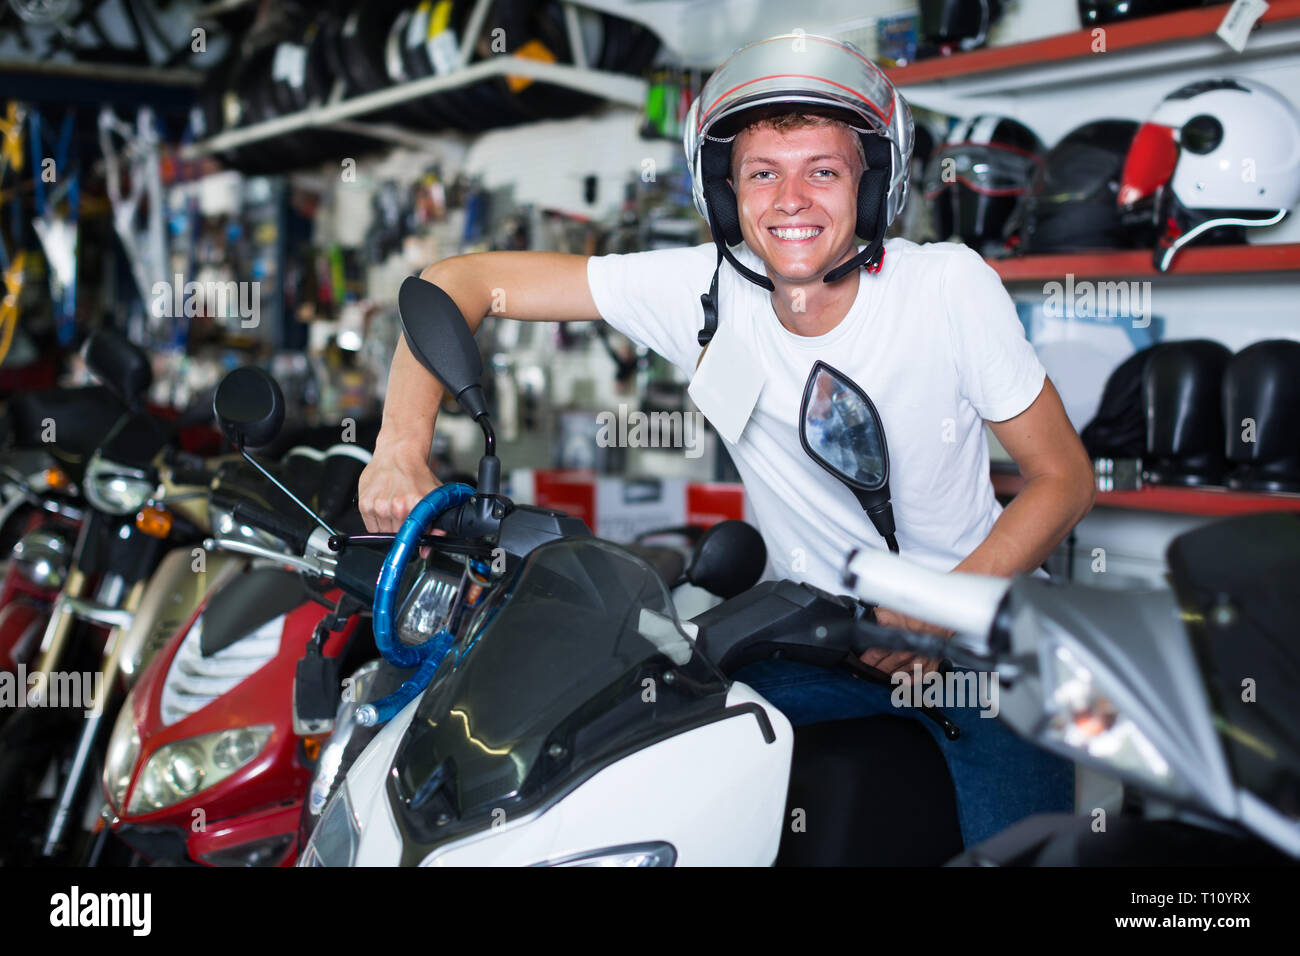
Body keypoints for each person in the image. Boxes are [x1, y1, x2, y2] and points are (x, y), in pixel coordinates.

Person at [359, 33, 1095, 849]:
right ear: (727, 191)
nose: (791, 199)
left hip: (975, 648)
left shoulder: (947, 288)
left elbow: (1063, 478)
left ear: (872, 182)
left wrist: (934, 617)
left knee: (1029, 851)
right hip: (810, 641)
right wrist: (399, 446)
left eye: (823, 169)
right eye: (761, 173)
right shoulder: (706, 290)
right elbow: (453, 283)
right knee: (638, 789)